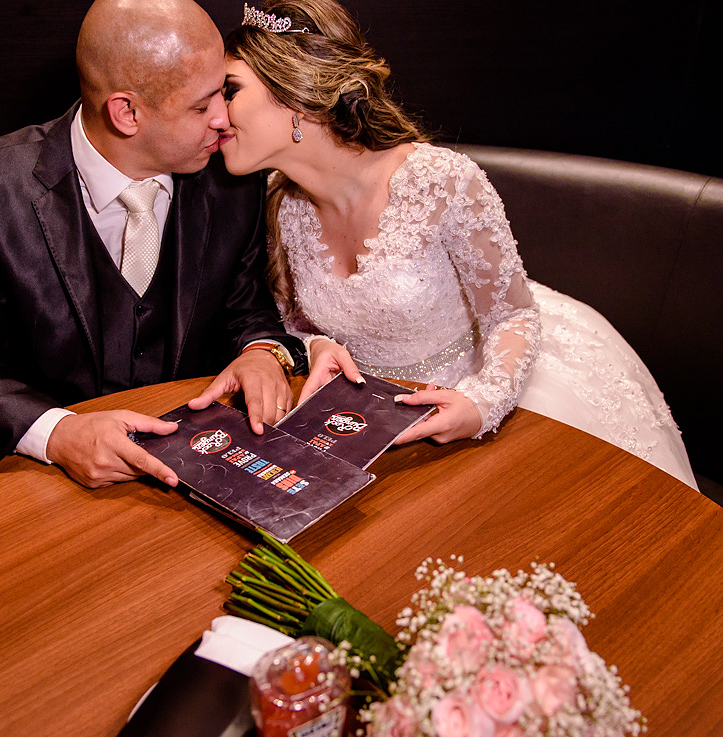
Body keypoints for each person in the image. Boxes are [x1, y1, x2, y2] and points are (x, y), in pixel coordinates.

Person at [218, 0, 698, 488]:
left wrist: (482, 402)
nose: (215, 112)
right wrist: (318, 344)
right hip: (371, 415)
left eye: (229, 91)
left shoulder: (442, 182)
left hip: (484, 385)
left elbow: (512, 316)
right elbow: (294, 320)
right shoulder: (278, 202)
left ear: (295, 95)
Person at [0, 0, 309, 490]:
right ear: (126, 112)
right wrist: (58, 434)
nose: (225, 121)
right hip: (44, 484)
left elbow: (245, 308)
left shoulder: (233, 179)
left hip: (199, 467)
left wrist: (263, 350)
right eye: (202, 105)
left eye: (223, 94)